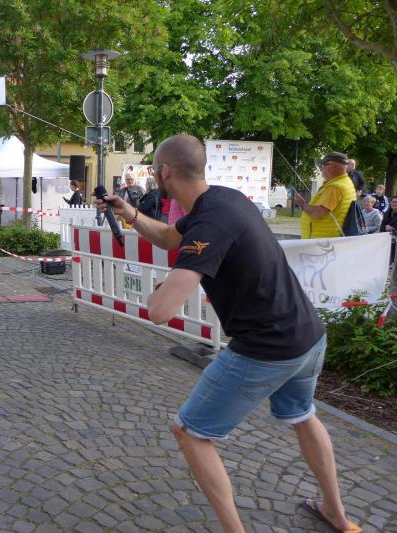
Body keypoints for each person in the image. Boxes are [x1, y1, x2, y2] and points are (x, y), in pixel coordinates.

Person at [96, 134, 361, 533]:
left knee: (189, 432)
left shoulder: (209, 222)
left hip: (265, 348)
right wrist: (129, 212)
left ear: (165, 173)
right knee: (303, 415)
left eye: (154, 169)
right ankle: (336, 514)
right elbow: (168, 238)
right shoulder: (224, 199)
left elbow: (160, 311)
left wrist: (160, 291)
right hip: (307, 335)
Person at [294, 152, 356, 239]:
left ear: (332, 166)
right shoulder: (345, 182)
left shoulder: (335, 188)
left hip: (321, 241)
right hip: (328, 238)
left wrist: (302, 205)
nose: (321, 168)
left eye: (323, 165)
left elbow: (317, 213)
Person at [381, 196, 397, 265]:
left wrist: (393, 232)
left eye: (396, 202)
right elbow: (381, 227)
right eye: (393, 202)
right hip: (386, 238)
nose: (394, 203)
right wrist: (385, 227)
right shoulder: (387, 214)